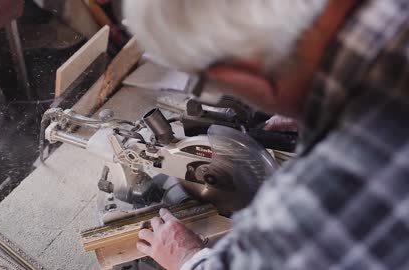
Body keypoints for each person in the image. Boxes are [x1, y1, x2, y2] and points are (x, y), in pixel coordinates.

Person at [123, 0, 409, 269]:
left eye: (205, 82)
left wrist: (186, 256)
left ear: (243, 75)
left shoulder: (321, 196)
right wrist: (313, 101)